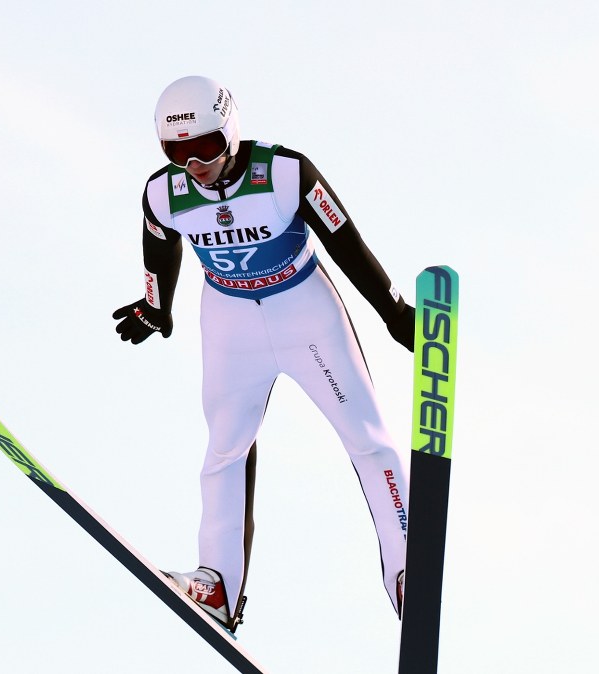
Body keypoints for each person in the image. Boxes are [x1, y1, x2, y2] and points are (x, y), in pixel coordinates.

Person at [112, 75, 414, 631]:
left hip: (304, 312)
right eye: (176, 151)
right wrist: (157, 308)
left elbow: (346, 242)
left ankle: (405, 571)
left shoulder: (284, 173)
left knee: (367, 439)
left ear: (229, 130)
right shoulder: (163, 191)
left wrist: (394, 312)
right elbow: (159, 250)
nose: (193, 163)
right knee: (224, 452)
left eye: (204, 145)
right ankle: (218, 586)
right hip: (230, 324)